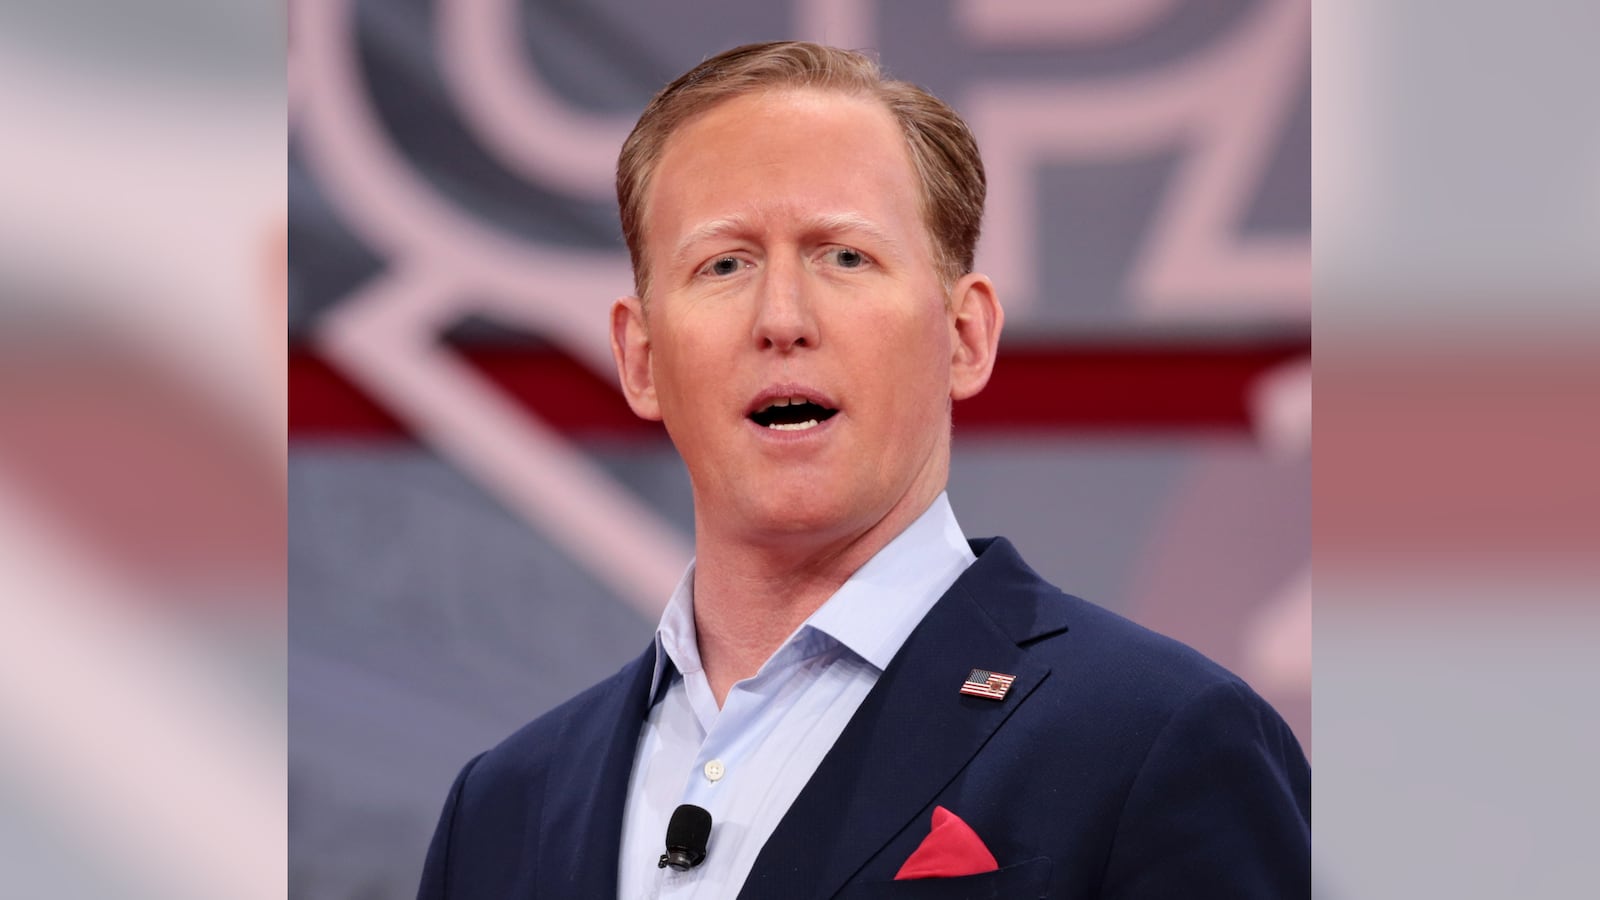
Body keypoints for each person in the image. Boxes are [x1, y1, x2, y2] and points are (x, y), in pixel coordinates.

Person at [417, 41, 1310, 899]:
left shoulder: (1155, 736)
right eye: (724, 263)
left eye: (845, 255)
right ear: (641, 358)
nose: (782, 317)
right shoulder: (501, 808)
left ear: (965, 337)